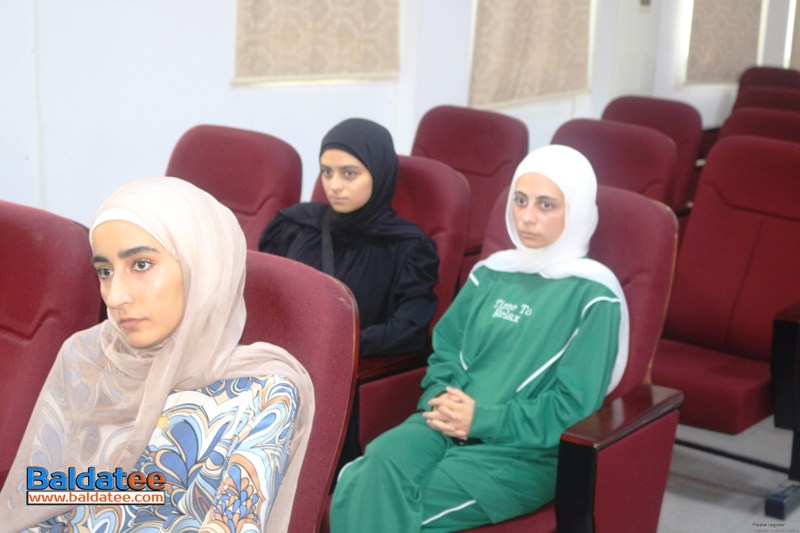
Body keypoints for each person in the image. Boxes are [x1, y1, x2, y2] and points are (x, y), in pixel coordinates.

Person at [329, 144, 630, 532]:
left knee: (386, 509)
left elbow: (572, 407)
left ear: (577, 211)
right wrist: (442, 399)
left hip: (521, 453)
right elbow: (447, 350)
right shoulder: (490, 273)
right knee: (366, 474)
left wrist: (482, 419)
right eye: (520, 201)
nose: (527, 217)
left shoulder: (595, 297)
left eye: (546, 205)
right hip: (443, 424)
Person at [0, 177, 314, 532]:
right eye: (105, 272)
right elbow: (44, 500)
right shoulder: (87, 356)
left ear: (201, 268)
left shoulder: (263, 393)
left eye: (141, 265)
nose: (115, 296)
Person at [259, 117, 439, 358]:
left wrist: (332, 345)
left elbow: (408, 331)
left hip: (345, 367)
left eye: (349, 174)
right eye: (327, 172)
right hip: (275, 358)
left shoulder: (408, 249)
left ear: (379, 173)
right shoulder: (295, 225)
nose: (334, 185)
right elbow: (263, 299)